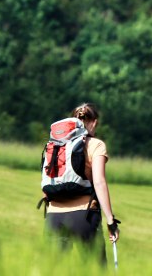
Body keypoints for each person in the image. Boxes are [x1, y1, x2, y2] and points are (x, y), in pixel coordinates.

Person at [45, 103, 120, 260]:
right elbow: (99, 182)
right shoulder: (96, 145)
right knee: (93, 270)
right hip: (83, 215)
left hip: (54, 216)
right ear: (94, 122)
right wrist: (111, 220)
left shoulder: (54, 146)